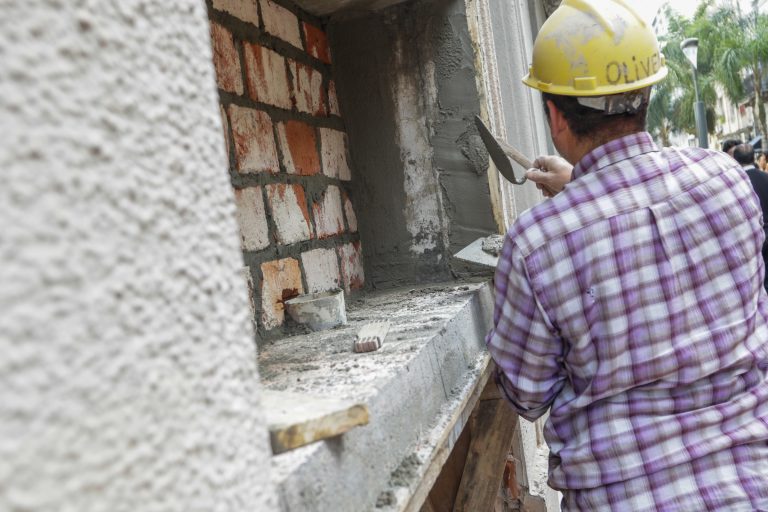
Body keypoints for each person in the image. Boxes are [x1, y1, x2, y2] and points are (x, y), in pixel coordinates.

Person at [485, 0, 768, 510]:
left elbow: (527, 395)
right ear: (647, 97)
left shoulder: (536, 244)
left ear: (555, 116)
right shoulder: (728, 181)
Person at [733, 143, 768, 291]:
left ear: (735, 160)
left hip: (750, 236)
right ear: (753, 157)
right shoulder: (765, 177)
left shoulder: (735, 183)